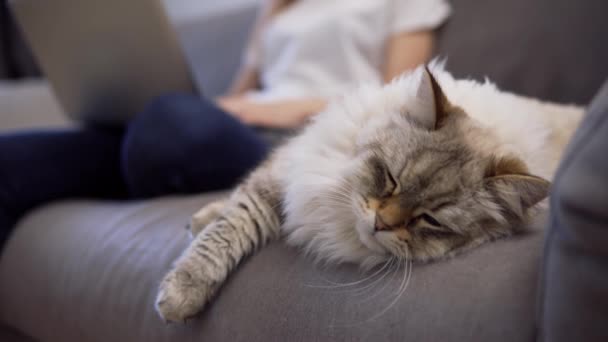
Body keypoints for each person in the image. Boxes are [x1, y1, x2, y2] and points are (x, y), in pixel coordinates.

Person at [0, 0, 451, 249]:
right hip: (233, 128)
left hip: (298, 141)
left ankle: (154, 149)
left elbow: (396, 101)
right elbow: (240, 92)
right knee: (13, 160)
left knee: (168, 127)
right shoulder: (278, 7)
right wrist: (227, 106)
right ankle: (149, 152)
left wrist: (277, 110)